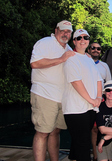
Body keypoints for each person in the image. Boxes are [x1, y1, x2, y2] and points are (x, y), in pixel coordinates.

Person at [30, 20, 75, 161]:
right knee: (42, 132)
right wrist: (61, 59)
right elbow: (35, 63)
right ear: (56, 30)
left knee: (56, 131)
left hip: (62, 97)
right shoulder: (44, 43)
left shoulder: (69, 49)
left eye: (68, 31)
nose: (65, 34)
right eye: (63, 30)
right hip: (44, 94)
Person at [62, 29, 103, 161]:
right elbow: (76, 82)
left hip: (90, 108)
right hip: (75, 109)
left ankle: (73, 158)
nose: (82, 40)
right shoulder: (71, 58)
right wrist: (91, 99)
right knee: (83, 144)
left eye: (85, 37)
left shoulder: (88, 58)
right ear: (74, 41)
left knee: (78, 142)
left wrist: (98, 98)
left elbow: (98, 79)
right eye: (79, 38)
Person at [88, 42, 112, 161]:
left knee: (99, 128)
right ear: (89, 49)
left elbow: (109, 84)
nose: (96, 50)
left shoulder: (104, 66)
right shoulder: (84, 63)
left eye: (98, 48)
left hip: (101, 100)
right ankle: (94, 155)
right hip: (86, 100)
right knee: (90, 128)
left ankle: (100, 154)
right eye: (93, 48)